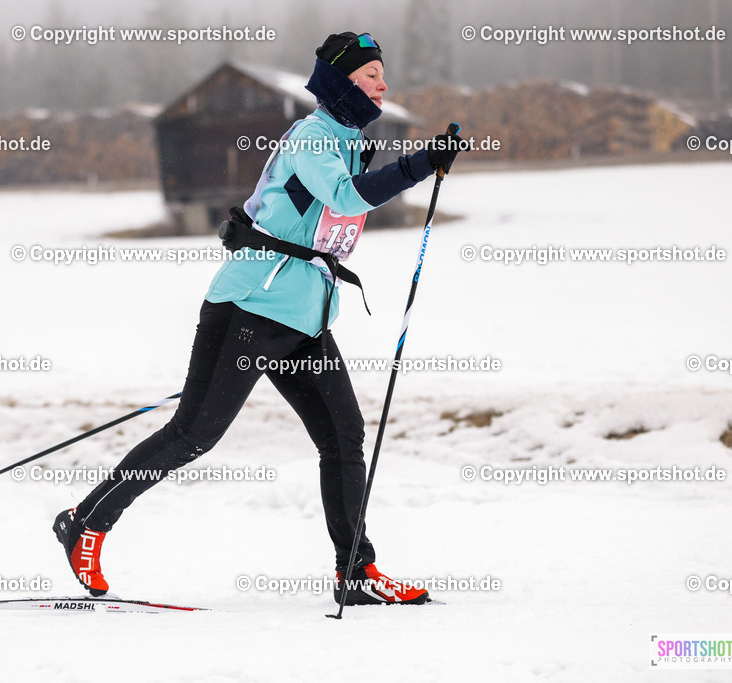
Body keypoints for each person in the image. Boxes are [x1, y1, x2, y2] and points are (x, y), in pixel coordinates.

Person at [54, 31, 462, 606]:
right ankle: (86, 521)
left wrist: (415, 165)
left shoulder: (345, 138)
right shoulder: (314, 137)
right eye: (373, 76)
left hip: (305, 318)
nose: (384, 85)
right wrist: (420, 164)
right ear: (345, 80)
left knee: (344, 437)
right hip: (249, 306)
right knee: (193, 435)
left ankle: (356, 570)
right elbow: (346, 199)